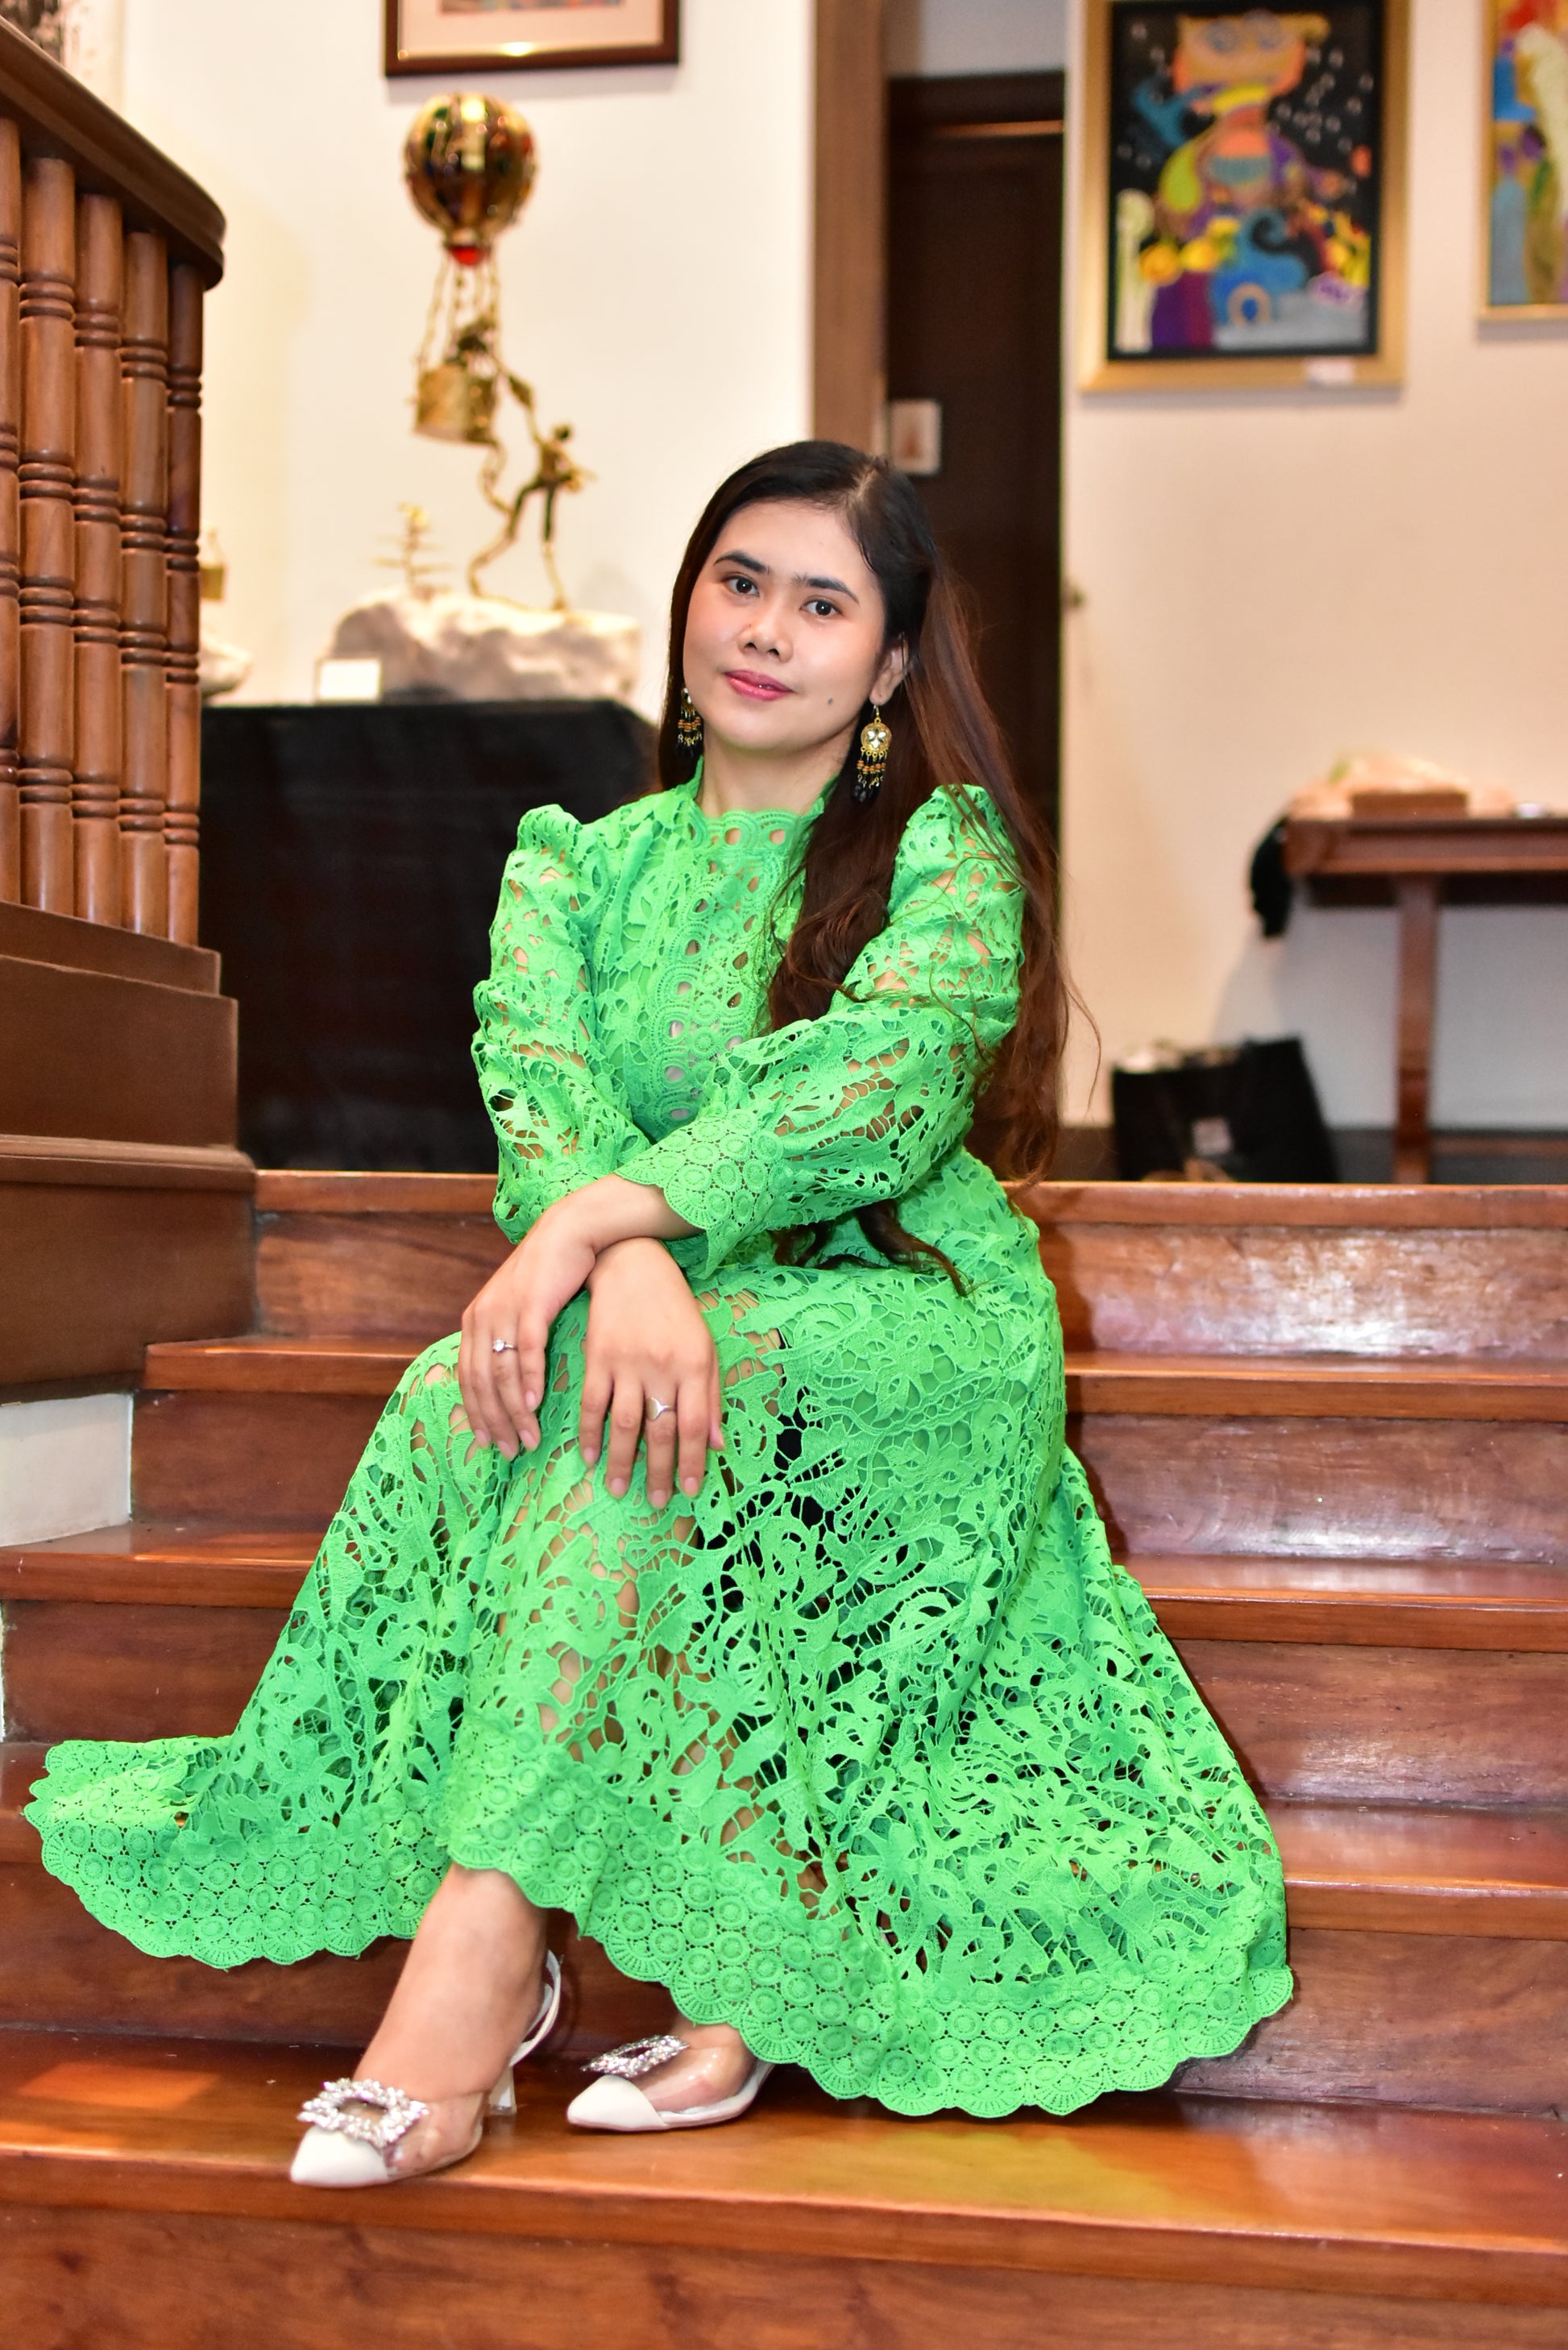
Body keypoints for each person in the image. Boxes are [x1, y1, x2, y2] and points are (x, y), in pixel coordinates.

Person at [27, 442, 1290, 2186]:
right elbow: (539, 1094)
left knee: (686, 1397)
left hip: (894, 1301)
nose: (765, 630)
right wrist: (616, 1256)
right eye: (738, 582)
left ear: (891, 665)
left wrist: (603, 1224)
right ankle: (689, 1956)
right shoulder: (574, 865)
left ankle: (478, 1968)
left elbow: (874, 1095)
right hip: (651, 1290)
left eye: (821, 605)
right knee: (467, 1392)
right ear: (691, 602)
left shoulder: (938, 855)